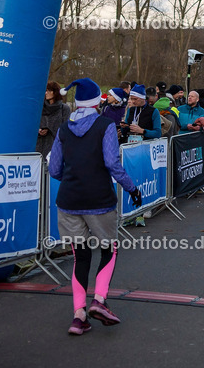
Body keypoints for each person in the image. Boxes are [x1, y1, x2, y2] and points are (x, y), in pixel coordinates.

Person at [49, 78, 142, 336]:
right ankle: (99, 301)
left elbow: (53, 168)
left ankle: (78, 316)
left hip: (69, 201)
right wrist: (132, 188)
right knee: (109, 249)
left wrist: (73, 177)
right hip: (99, 200)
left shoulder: (64, 129)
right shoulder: (105, 125)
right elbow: (112, 163)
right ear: (97, 102)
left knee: (80, 256)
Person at [37, 81, 70, 160]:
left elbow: (65, 129)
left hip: (54, 148)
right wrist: (38, 130)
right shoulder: (40, 107)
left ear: (55, 92)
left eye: (49, 90)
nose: (46, 93)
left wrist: (49, 129)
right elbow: (32, 124)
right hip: (38, 148)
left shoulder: (64, 109)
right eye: (46, 90)